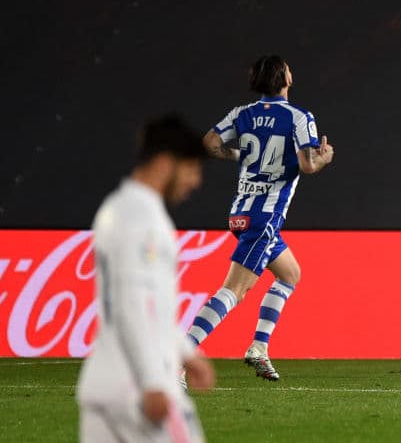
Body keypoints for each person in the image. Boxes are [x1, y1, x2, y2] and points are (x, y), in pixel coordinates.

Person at [185, 55, 334, 381]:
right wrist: (325, 157)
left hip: (241, 213)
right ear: (285, 78)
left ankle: (259, 347)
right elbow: (308, 165)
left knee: (290, 274)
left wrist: (240, 155)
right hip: (265, 218)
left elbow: (208, 144)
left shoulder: (242, 113)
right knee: (233, 291)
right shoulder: (299, 117)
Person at [77, 115, 216, 443]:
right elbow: (134, 305)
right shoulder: (144, 219)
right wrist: (153, 381)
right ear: (165, 163)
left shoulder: (117, 207)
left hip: (103, 386)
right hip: (137, 387)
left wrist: (186, 352)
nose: (195, 181)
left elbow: (149, 307)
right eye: (191, 168)